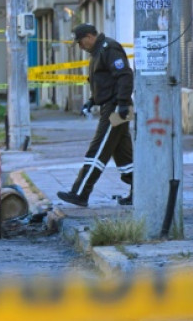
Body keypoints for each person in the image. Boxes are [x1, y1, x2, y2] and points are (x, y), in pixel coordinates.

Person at [57, 23, 135, 208]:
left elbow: (124, 75)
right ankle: (141, 192)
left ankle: (80, 193)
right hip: (114, 106)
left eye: (81, 42)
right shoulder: (98, 52)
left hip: (116, 108)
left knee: (97, 151)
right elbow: (105, 82)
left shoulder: (109, 48)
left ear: (90, 36)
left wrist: (122, 103)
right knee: (124, 155)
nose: (80, 46)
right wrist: (92, 100)